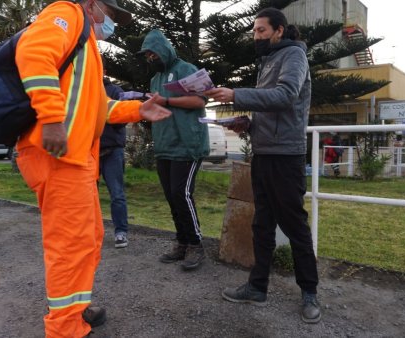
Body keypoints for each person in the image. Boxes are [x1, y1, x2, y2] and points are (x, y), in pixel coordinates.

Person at [13, 1, 171, 337]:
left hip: (74, 159)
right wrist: (52, 119)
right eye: (111, 15)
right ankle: (64, 327)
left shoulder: (85, 46)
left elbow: (99, 107)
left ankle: (76, 309)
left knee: (86, 241)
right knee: (71, 246)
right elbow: (34, 52)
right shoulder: (68, 13)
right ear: (91, 4)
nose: (112, 23)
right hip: (60, 156)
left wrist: (138, 110)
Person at [205, 8, 321, 324]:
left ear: (279, 31)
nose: (255, 36)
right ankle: (257, 287)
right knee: (262, 223)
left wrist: (236, 95)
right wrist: (248, 124)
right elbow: (271, 107)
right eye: (254, 31)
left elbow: (285, 96)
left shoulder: (294, 56)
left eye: (260, 30)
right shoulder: (270, 60)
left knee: (294, 225)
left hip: (286, 157)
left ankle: (309, 292)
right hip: (264, 152)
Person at [137, 29, 210, 271]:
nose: (150, 58)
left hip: (188, 144)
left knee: (182, 193)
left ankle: (196, 245)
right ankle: (181, 241)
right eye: (146, 55)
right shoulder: (155, 80)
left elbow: (200, 101)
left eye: (152, 53)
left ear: (163, 50)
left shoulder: (186, 69)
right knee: (171, 196)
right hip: (164, 145)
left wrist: (166, 101)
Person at [100, 76, 130, 248]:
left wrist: (105, 116)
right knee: (87, 196)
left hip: (112, 150)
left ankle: (121, 232)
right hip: (89, 150)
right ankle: (90, 232)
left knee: (117, 194)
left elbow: (123, 119)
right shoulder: (82, 87)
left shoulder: (116, 91)